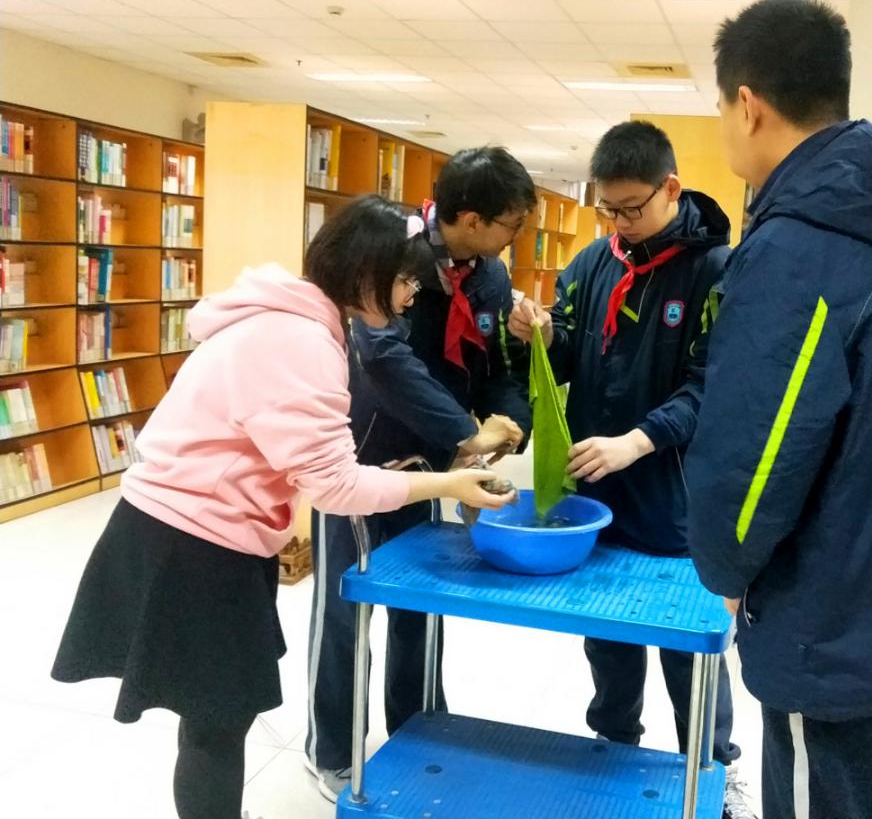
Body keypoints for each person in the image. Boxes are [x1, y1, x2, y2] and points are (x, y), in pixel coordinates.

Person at [51, 196, 515, 819]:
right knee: (218, 719)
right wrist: (448, 487)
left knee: (212, 714)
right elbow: (335, 489)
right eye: (405, 279)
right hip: (195, 543)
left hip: (182, 527)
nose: (411, 295)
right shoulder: (301, 341)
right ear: (365, 272)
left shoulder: (286, 315)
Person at [685, 0, 872, 819]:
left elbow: (755, 453)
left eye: (721, 106)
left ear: (748, 104)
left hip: (832, 622)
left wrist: (726, 570)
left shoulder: (797, 251)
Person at [509, 121, 756, 819]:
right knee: (609, 639)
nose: (618, 223)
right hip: (600, 493)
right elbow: (566, 359)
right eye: (607, 209)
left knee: (690, 652)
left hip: (676, 501)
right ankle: (611, 756)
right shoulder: (593, 263)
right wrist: (542, 336)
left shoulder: (717, 271)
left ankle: (713, 773)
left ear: (670, 189)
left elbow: (712, 387)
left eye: (631, 208)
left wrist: (640, 440)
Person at [305, 146, 536, 800]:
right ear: (471, 218)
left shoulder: (490, 275)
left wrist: (509, 422)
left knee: (421, 607)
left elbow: (494, 364)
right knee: (345, 611)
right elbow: (384, 358)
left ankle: (417, 733)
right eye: (511, 224)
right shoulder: (394, 251)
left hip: (433, 465)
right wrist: (466, 433)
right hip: (359, 460)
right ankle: (332, 751)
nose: (515, 237)